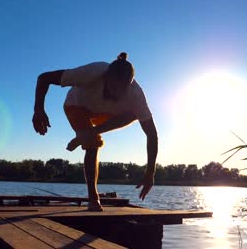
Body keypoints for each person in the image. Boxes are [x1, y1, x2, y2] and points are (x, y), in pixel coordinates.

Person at [32, 52, 158, 211]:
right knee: (93, 145)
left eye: (122, 91)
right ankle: (93, 199)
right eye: (113, 88)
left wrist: (150, 172)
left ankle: (89, 134)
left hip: (105, 114)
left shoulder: (136, 93)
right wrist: (38, 110)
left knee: (135, 114)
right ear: (106, 77)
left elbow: (151, 134)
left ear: (129, 85)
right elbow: (44, 78)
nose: (115, 94)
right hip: (76, 107)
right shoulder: (93, 71)